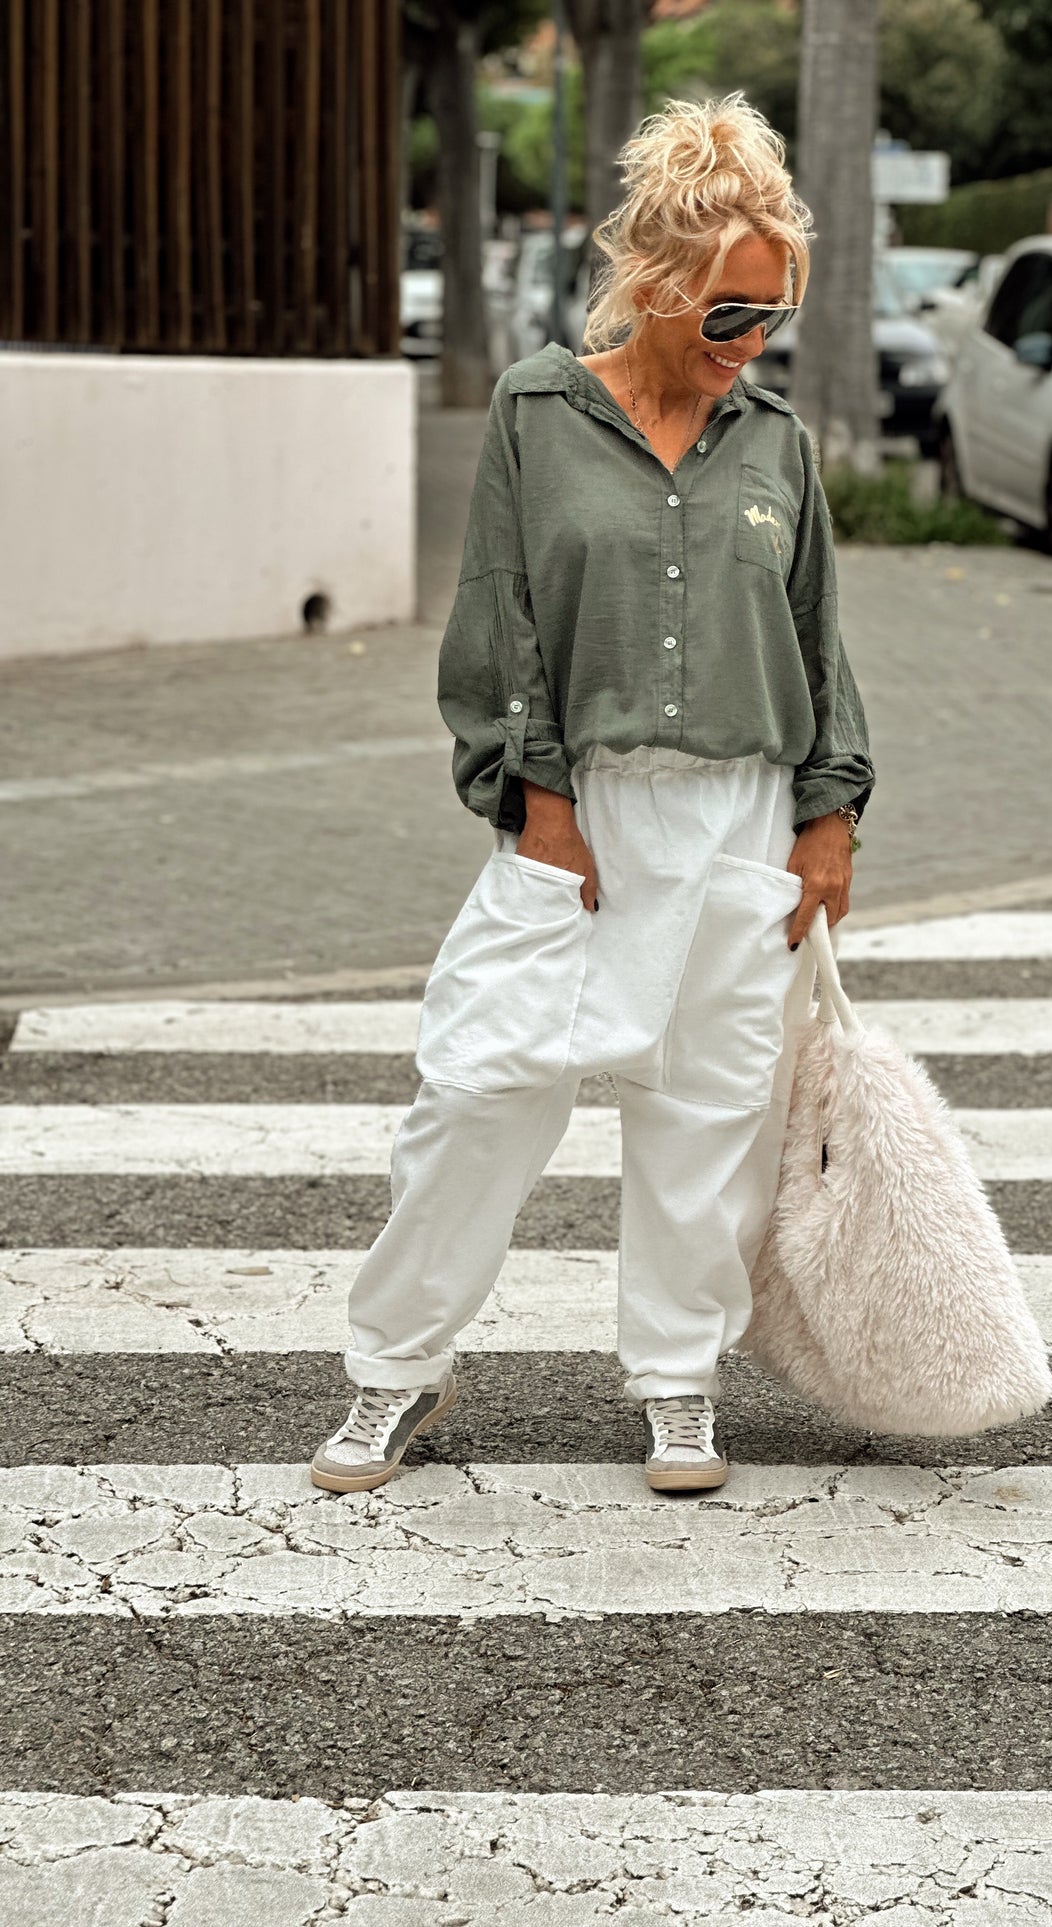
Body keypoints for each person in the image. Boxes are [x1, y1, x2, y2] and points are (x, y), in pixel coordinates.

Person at [310, 92, 874, 1498]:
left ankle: (676, 1382)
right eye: (728, 315)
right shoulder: (537, 412)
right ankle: (398, 1369)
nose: (750, 343)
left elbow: (817, 642)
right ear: (657, 284)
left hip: (742, 816)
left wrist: (830, 813)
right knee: (479, 1088)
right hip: (580, 811)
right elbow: (499, 614)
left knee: (705, 1109)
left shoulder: (776, 449)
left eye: (769, 316)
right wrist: (539, 802)